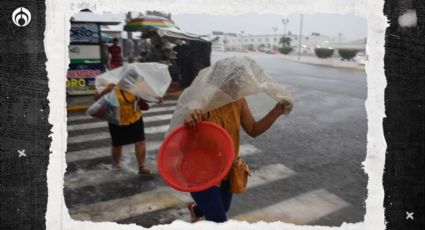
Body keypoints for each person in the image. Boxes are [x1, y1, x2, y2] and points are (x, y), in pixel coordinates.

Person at [184, 98, 287, 223]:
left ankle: (196, 210)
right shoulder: (201, 101)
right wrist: (189, 123)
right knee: (219, 220)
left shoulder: (239, 101)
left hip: (226, 170)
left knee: (224, 207)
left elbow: (253, 129)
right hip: (201, 173)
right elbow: (181, 146)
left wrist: (275, 112)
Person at [95, 83, 162, 175]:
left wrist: (156, 99)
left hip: (135, 116)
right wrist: (106, 90)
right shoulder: (109, 82)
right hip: (116, 118)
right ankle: (116, 165)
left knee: (140, 141)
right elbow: (96, 98)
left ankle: (142, 167)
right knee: (117, 144)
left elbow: (147, 95)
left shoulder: (136, 83)